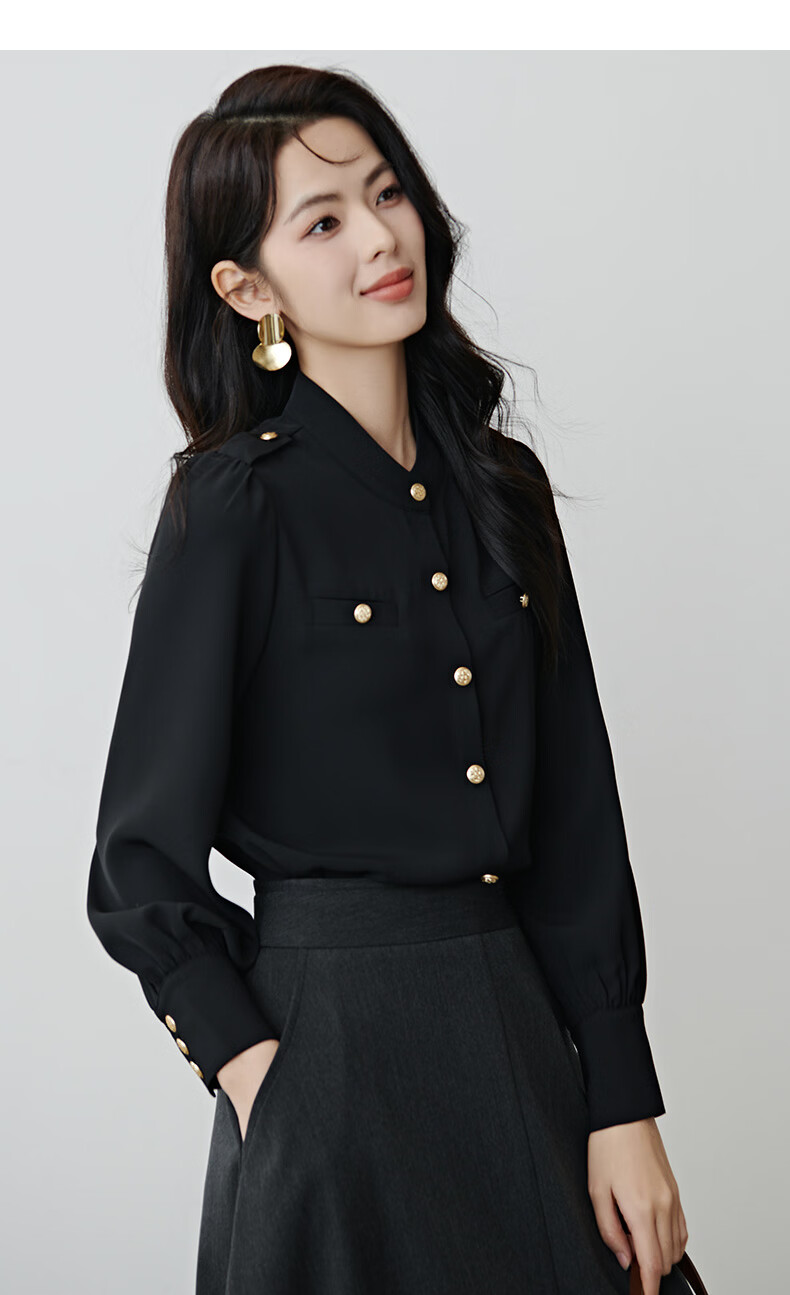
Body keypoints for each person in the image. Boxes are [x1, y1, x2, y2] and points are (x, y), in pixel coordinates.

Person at [86, 64, 692, 1295]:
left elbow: (578, 814)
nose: (378, 237)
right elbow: (137, 863)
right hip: (328, 1055)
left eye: (386, 193)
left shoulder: (504, 491)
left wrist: (621, 1095)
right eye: (322, 221)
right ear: (247, 288)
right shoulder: (232, 506)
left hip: (521, 1030)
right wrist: (261, 1077)